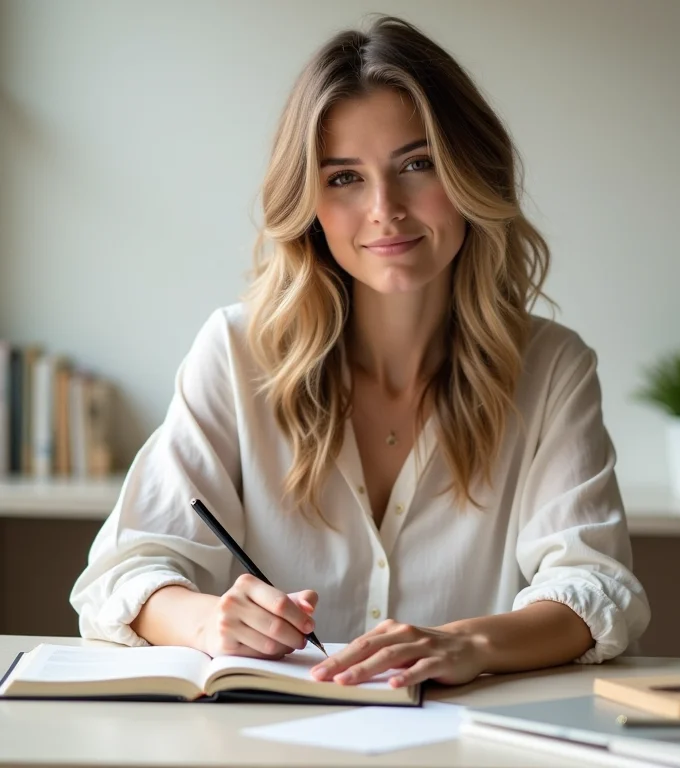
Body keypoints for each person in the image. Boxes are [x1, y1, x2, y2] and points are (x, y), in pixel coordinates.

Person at [71, 14, 650, 690]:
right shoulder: (234, 352)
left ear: (472, 173)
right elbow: (123, 575)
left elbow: (596, 587)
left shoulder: (551, 369)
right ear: (309, 202)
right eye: (345, 177)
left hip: (467, 737)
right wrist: (207, 621)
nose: (385, 208)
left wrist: (468, 643)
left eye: (417, 164)